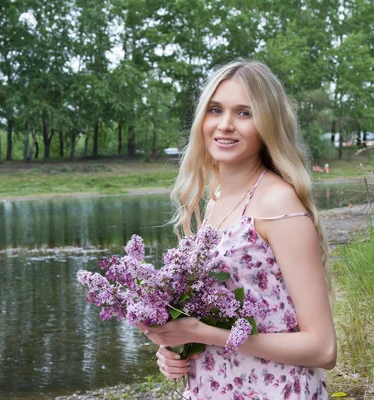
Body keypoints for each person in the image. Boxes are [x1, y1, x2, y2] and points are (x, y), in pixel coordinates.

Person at [141, 61, 336, 399]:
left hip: (271, 390)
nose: (225, 125)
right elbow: (215, 314)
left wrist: (204, 333)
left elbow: (322, 348)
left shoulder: (278, 203)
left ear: (267, 125)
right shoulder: (216, 199)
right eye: (215, 110)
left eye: (245, 113)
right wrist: (175, 347)